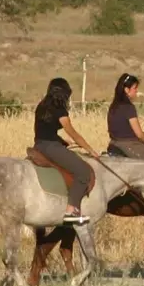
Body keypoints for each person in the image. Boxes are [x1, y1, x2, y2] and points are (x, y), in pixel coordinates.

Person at [32, 77, 98, 225]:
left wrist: (62, 142)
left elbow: (43, 130)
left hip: (40, 144)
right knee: (83, 171)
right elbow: (72, 132)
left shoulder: (41, 106)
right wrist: (90, 150)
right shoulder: (60, 110)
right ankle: (71, 210)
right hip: (50, 147)